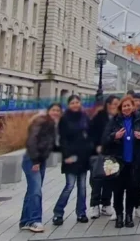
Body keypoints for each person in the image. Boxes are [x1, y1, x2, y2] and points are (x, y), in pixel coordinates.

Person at [102, 97, 140, 228]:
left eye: (129, 106)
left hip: (134, 162)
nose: (126, 108)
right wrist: (114, 136)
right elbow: (104, 140)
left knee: (131, 190)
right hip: (118, 162)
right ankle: (119, 216)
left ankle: (129, 216)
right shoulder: (114, 121)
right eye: (124, 106)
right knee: (117, 191)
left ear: (133, 107)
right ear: (120, 108)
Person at [20, 103, 61, 232]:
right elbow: (31, 141)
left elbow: (51, 146)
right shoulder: (41, 121)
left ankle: (25, 221)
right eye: (53, 110)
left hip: (39, 160)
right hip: (32, 160)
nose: (55, 112)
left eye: (58, 111)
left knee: (32, 191)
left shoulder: (51, 125)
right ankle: (34, 220)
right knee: (36, 191)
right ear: (48, 111)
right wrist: (36, 161)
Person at [53, 95, 92, 225]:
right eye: (72, 103)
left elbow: (89, 135)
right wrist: (67, 155)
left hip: (83, 157)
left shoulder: (85, 117)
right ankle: (58, 213)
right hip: (70, 157)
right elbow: (62, 139)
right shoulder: (64, 119)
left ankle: (81, 213)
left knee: (82, 187)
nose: (75, 104)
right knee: (69, 186)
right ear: (69, 105)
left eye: (77, 102)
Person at [88, 96, 118, 218]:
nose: (116, 106)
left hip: (111, 153)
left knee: (109, 179)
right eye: (114, 103)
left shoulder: (118, 118)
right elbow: (91, 134)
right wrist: (97, 145)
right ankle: (95, 205)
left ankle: (106, 204)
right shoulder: (99, 117)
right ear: (108, 105)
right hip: (98, 153)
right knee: (96, 180)